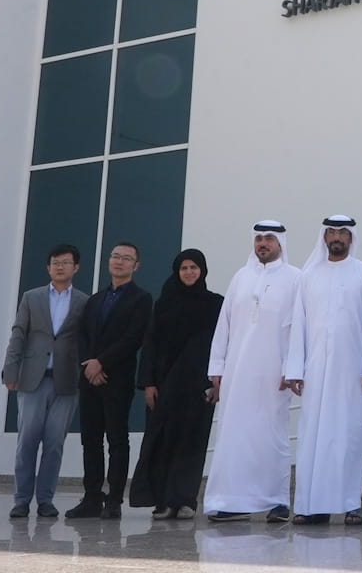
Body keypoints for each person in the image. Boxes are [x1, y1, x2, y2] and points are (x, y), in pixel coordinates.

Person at [284, 214, 362, 525]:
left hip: (353, 372)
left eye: (342, 232)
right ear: (324, 237)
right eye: (332, 232)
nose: (337, 237)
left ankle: (351, 503)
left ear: (351, 237)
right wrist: (294, 370)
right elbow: (298, 324)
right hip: (315, 370)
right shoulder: (308, 276)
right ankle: (311, 506)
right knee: (312, 436)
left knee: (348, 435)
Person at [203, 221, 303, 523]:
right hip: (237, 372)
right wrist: (217, 367)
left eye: (269, 238)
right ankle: (232, 501)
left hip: (274, 373)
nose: (263, 243)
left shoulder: (296, 278)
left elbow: (299, 328)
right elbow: (224, 325)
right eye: (259, 238)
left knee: (272, 437)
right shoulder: (241, 277)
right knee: (234, 435)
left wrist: (292, 367)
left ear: (280, 243)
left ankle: (277, 501)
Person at [128, 248, 223, 519]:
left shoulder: (215, 304)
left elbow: (223, 345)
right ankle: (163, 501)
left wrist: (219, 381)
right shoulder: (164, 304)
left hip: (199, 386)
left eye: (194, 267)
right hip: (164, 386)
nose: (189, 272)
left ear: (202, 271)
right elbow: (150, 344)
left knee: (192, 442)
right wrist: (148, 383)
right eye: (184, 268)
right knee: (163, 441)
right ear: (176, 271)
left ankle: (185, 501)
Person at [1, 243, 89, 520]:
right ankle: (21, 500)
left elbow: (86, 341)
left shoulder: (84, 302)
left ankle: (46, 500)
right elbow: (19, 333)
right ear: (48, 267)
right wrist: (10, 370)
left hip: (66, 382)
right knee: (27, 441)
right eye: (55, 263)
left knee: (54, 442)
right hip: (32, 379)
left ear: (76, 267)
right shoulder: (32, 297)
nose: (60, 267)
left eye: (65, 262)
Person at [67, 242, 152, 520]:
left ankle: (114, 499)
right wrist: (89, 364)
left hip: (117, 378)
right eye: (115, 256)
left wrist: (101, 362)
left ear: (136, 266)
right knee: (90, 440)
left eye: (126, 258)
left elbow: (133, 338)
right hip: (89, 379)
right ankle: (91, 497)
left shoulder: (141, 299)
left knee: (117, 439)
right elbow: (82, 335)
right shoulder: (95, 299)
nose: (119, 261)